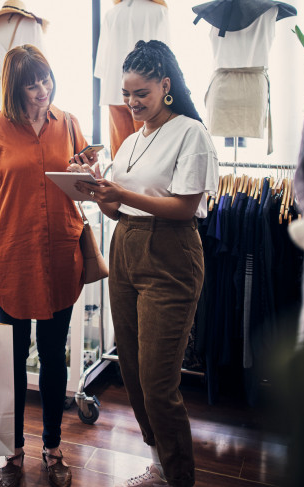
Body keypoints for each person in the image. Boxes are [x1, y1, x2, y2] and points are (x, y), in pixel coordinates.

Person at [72, 40, 218, 487]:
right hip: (126, 249)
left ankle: (179, 478)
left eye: (142, 94)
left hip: (170, 255)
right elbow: (118, 211)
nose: (133, 103)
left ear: (165, 86)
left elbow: (186, 206)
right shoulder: (133, 140)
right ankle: (159, 464)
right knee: (132, 372)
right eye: (127, 94)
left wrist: (123, 195)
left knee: (158, 381)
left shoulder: (190, 133)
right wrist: (96, 186)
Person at [0, 44, 98, 487]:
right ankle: (14, 450)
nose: (42, 90)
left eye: (45, 79)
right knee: (14, 359)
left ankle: (53, 446)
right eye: (31, 83)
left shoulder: (70, 124)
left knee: (55, 355)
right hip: (11, 257)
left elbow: (85, 190)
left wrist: (88, 172)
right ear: (14, 86)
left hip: (62, 254)